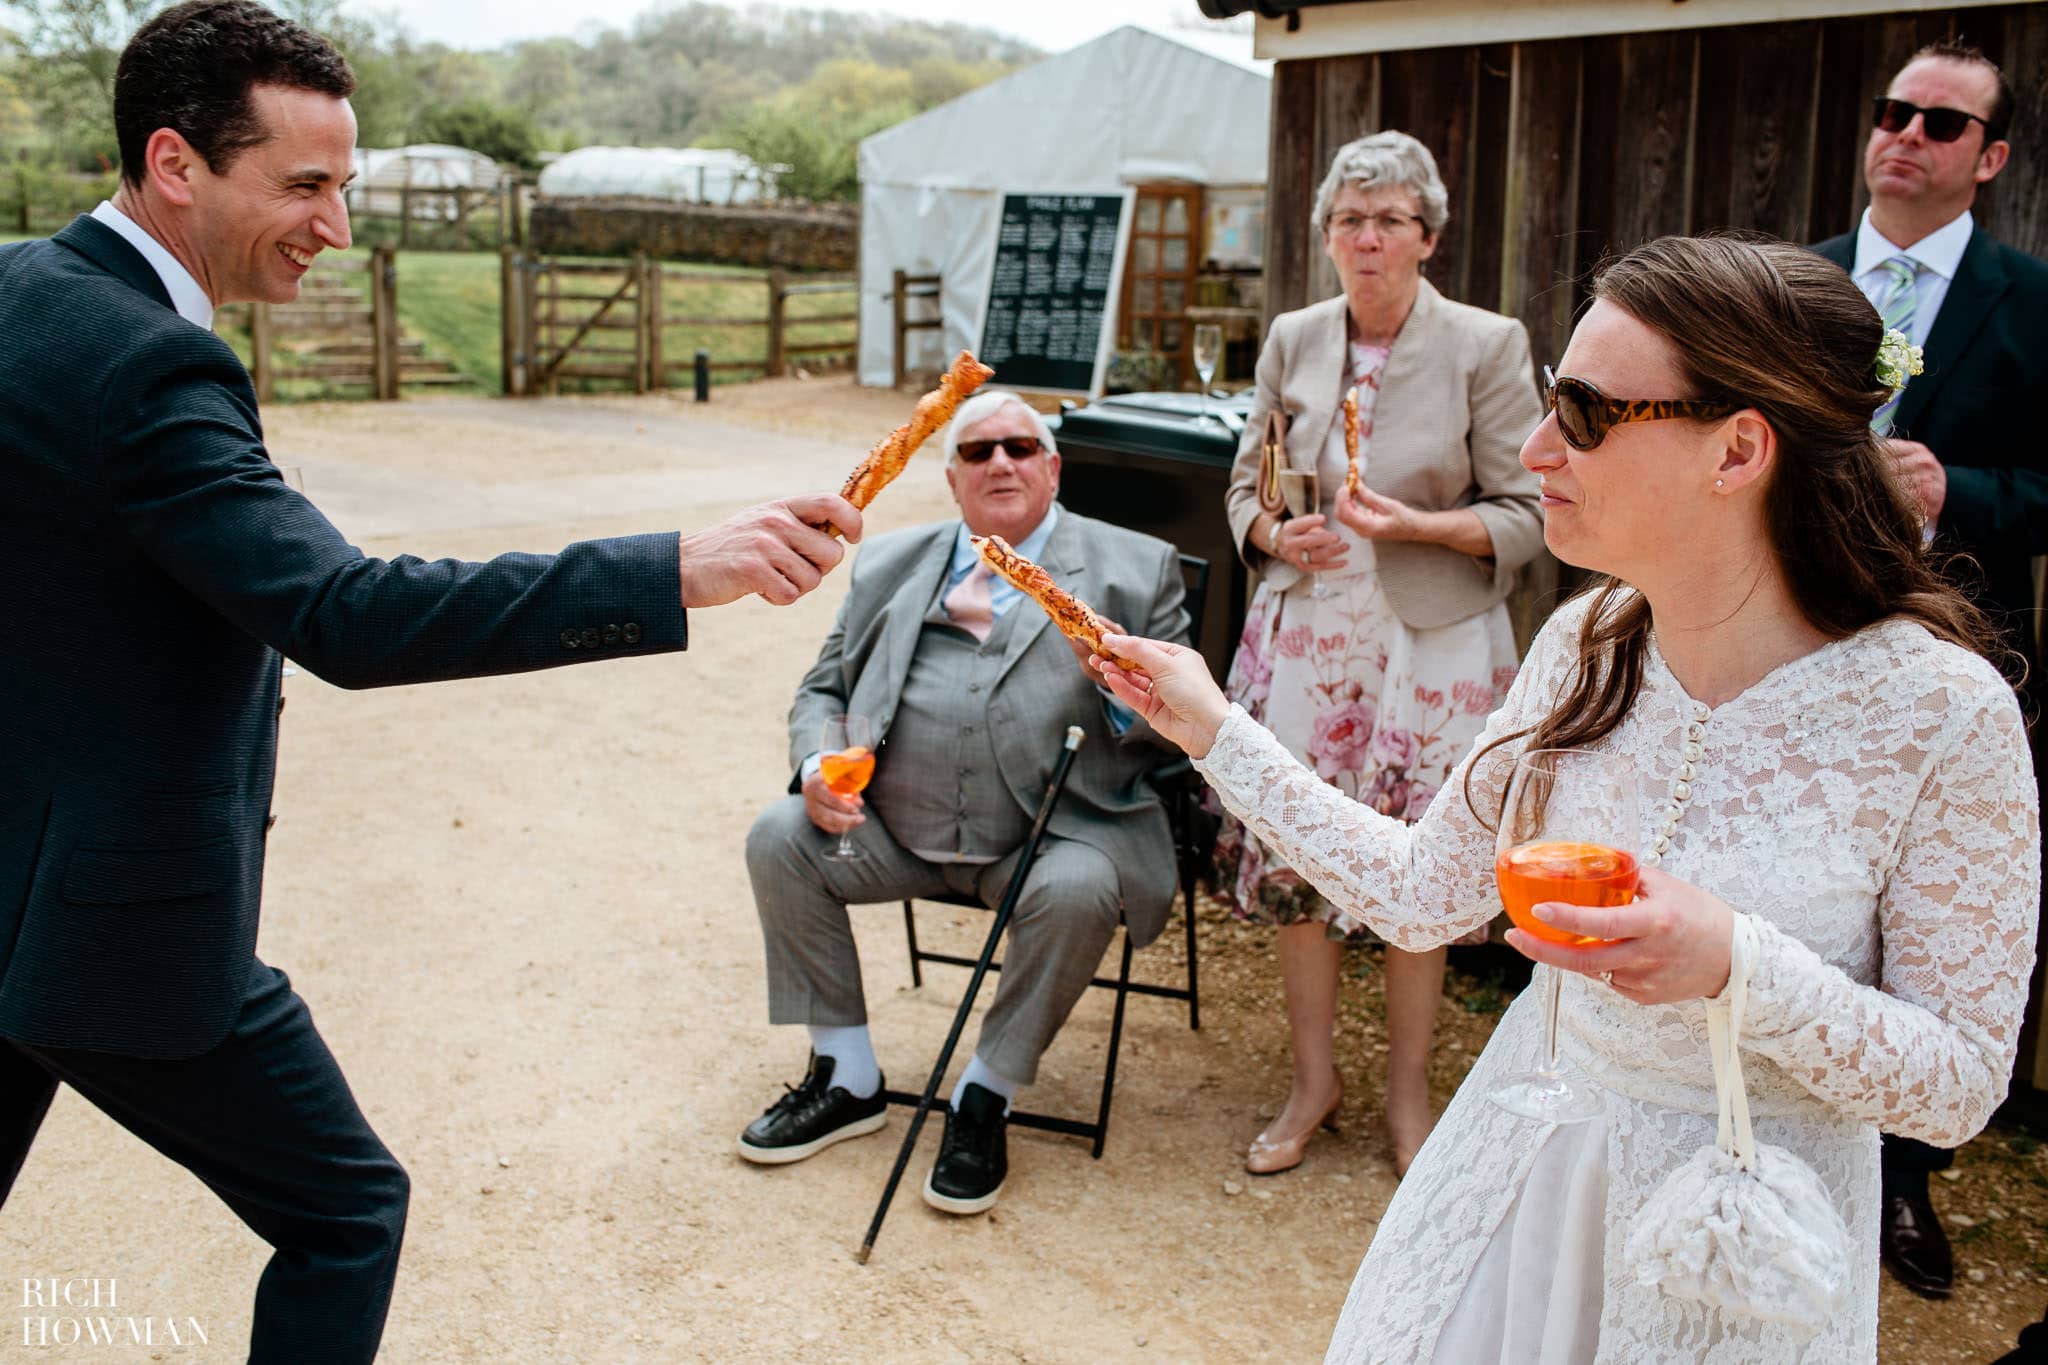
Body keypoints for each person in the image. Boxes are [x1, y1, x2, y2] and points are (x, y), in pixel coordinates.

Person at [0, 5, 860, 1362]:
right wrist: (674, 566)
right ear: (175, 165)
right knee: (348, 1208)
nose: (335, 224)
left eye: (343, 183)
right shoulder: (151, 364)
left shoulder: (17, 293)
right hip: (119, 923)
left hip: (15, 886)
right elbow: (344, 611)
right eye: (304, 185)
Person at [1094, 235, 2039, 1362]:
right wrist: (1209, 726)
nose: (1537, 446)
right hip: (1514, 1186)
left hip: (1728, 1253)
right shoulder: (1581, 643)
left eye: (1584, 414)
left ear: (1735, 449)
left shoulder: (1939, 712)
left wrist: (1739, 964)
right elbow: (1417, 894)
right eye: (1550, 400)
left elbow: (1955, 1089)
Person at [740, 391, 1188, 1215]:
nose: (1001, 463)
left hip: (1051, 838)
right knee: (779, 836)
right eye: (978, 452)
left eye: (1020, 447)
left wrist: (1132, 697)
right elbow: (824, 688)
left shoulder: (1135, 567)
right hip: (895, 830)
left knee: (1082, 886)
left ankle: (987, 1091)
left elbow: (1181, 733)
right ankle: (846, 1073)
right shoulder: (888, 565)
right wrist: (816, 763)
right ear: (952, 481)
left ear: (1053, 467)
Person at [1220, 130, 1543, 1176]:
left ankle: (1408, 1099)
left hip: (1429, 645)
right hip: (1309, 631)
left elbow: (1529, 512)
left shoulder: (1486, 346)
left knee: (1420, 870)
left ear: (1427, 237)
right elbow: (1249, 485)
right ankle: (1313, 1081)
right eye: (1348, 220)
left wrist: (1414, 527)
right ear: (1325, 235)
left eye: (1388, 220)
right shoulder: (1292, 338)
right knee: (1298, 861)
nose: (1366, 238)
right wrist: (1275, 533)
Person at [1811, 37, 2048, 1300]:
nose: (1904, 134)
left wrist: (1963, 491)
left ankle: (1899, 1178)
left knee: (1927, 912)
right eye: (1891, 112)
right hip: (1791, 643)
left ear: (1988, 157)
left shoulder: (2034, 302)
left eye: (1940, 123)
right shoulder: (1797, 283)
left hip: (1959, 652)